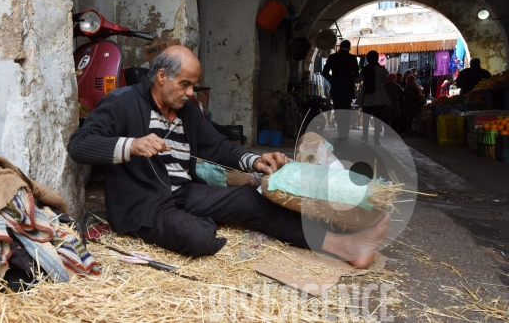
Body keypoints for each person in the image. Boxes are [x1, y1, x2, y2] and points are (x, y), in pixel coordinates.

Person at [68, 46, 389, 268]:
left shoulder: (187, 112)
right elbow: (80, 145)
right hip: (144, 203)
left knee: (253, 201)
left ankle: (346, 246)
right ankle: (198, 227)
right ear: (161, 77)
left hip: (182, 192)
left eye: (193, 85)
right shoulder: (121, 103)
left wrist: (254, 161)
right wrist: (132, 145)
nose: (191, 93)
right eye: (185, 84)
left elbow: (217, 146)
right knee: (199, 237)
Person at [322, 40, 360, 141]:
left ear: (339, 46)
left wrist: (333, 80)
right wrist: (349, 78)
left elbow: (324, 72)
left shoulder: (332, 57)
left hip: (336, 88)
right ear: (349, 47)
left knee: (338, 111)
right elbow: (356, 74)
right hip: (347, 89)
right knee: (346, 111)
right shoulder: (352, 58)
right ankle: (345, 133)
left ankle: (340, 132)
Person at [356, 51, 391, 145]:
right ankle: (376, 139)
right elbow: (384, 81)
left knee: (366, 118)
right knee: (378, 119)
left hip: (367, 95)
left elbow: (357, 80)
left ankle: (365, 137)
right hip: (380, 95)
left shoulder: (365, 69)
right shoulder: (382, 69)